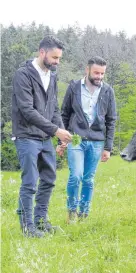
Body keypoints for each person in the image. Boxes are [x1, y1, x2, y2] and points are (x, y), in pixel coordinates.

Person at [12, 35, 72, 238]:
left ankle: (40, 221)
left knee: (48, 180)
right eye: (54, 57)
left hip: (45, 138)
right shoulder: (23, 75)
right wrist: (55, 130)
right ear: (42, 52)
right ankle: (28, 227)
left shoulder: (52, 77)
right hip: (26, 136)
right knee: (30, 181)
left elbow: (54, 109)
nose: (57, 62)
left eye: (59, 58)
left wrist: (62, 134)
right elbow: (27, 110)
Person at [58, 56, 117, 223]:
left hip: (97, 141)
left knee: (88, 179)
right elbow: (64, 114)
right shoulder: (74, 87)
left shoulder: (108, 91)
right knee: (76, 176)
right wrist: (62, 140)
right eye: (96, 72)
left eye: (102, 73)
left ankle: (84, 214)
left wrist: (108, 147)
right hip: (75, 139)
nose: (99, 76)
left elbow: (111, 120)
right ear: (87, 70)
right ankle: (71, 212)